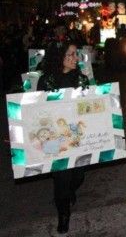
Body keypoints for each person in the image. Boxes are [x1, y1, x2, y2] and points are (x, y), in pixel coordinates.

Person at [37, 41, 90, 234]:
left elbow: (90, 107)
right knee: (61, 178)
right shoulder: (46, 81)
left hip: (77, 135)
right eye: (72, 54)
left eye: (77, 54)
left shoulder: (82, 79)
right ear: (60, 57)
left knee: (78, 175)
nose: (76, 58)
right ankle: (63, 214)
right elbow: (36, 112)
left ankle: (68, 194)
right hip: (54, 139)